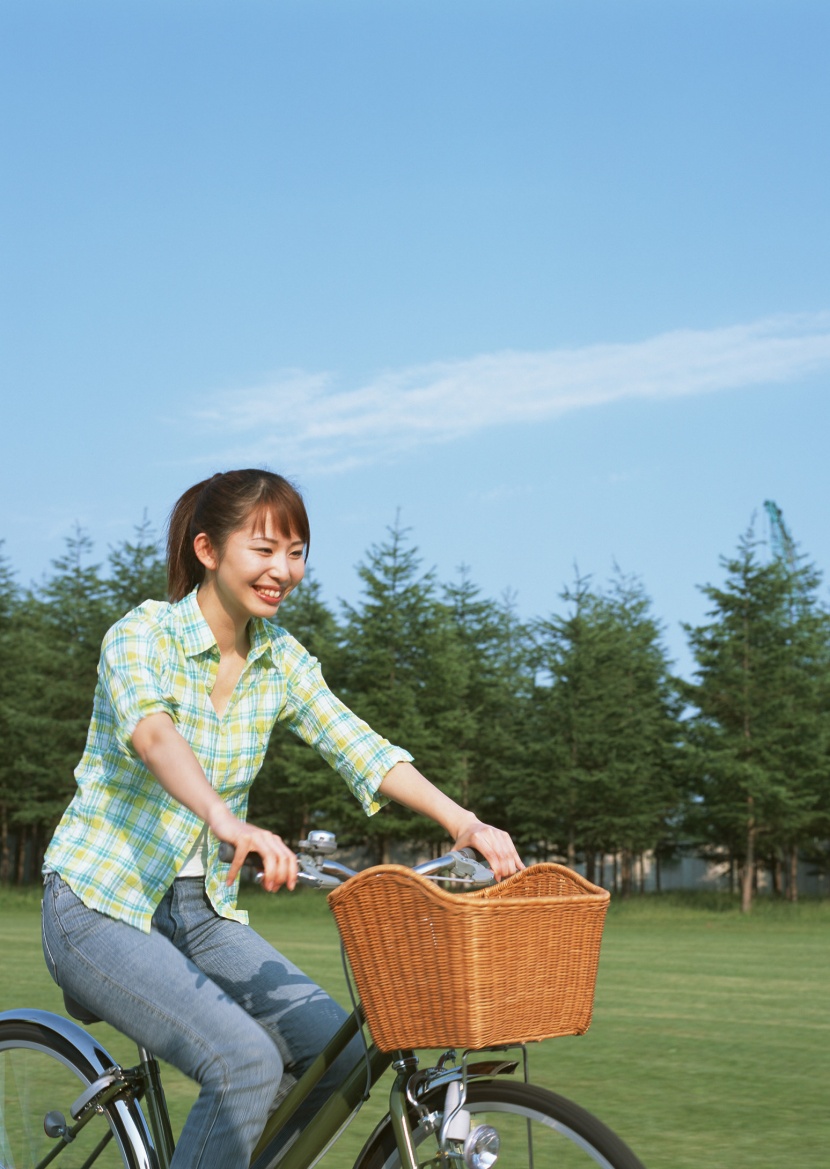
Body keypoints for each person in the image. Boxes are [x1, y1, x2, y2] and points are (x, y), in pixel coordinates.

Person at [41, 468, 523, 1169]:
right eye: (264, 549)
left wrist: (463, 821)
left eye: (297, 551)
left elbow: (359, 744)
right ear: (208, 550)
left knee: (349, 1053)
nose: (284, 570)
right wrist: (224, 819)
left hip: (200, 911)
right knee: (244, 1062)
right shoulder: (141, 635)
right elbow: (154, 735)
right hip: (97, 904)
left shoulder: (280, 660)